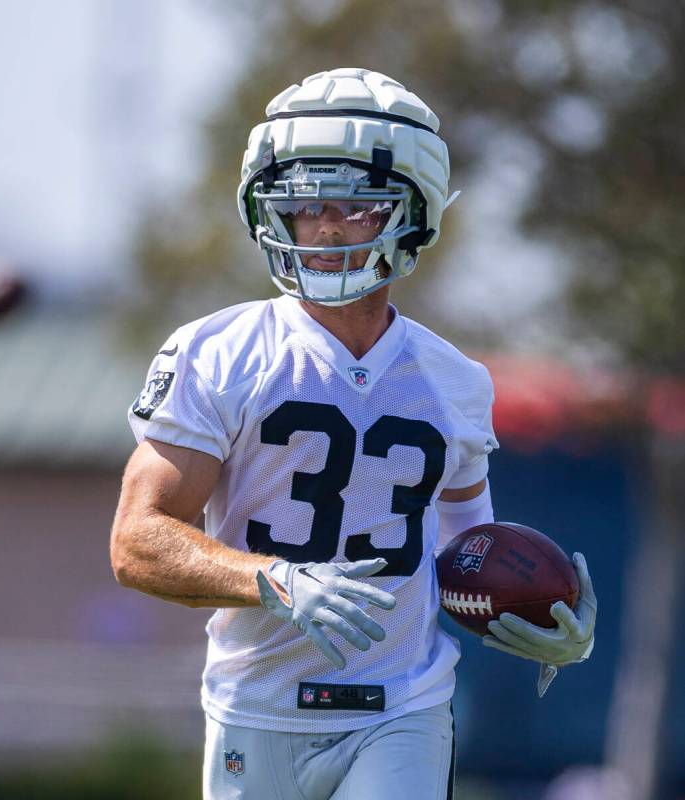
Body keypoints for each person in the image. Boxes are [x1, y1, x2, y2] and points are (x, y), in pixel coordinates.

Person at [111, 68, 597, 800]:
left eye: (359, 203)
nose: (328, 224)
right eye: (305, 204)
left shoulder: (453, 379)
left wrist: (536, 617)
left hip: (401, 707)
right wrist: (272, 578)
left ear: (414, 211)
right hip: (256, 707)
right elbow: (137, 541)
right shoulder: (220, 352)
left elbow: (463, 555)